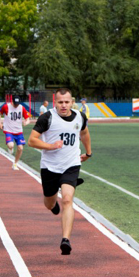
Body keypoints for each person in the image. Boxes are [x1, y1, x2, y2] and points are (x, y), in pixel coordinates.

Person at [27, 88, 92, 255]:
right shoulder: (47, 117)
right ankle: (52, 204)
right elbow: (32, 141)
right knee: (49, 202)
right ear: (55, 102)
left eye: (66, 102)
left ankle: (65, 240)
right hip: (50, 167)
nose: (63, 105)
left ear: (72, 102)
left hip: (71, 164)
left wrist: (88, 152)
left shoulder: (80, 117)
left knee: (68, 200)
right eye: (60, 102)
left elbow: (84, 133)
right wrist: (50, 146)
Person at [0, 95, 31, 171]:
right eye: (15, 104)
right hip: (9, 130)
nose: (16, 105)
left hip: (19, 131)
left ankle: (15, 163)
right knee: (10, 145)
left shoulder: (21, 108)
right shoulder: (6, 107)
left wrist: (26, 122)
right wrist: (0, 123)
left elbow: (28, 118)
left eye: (17, 104)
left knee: (20, 148)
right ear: (12, 101)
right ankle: (10, 148)